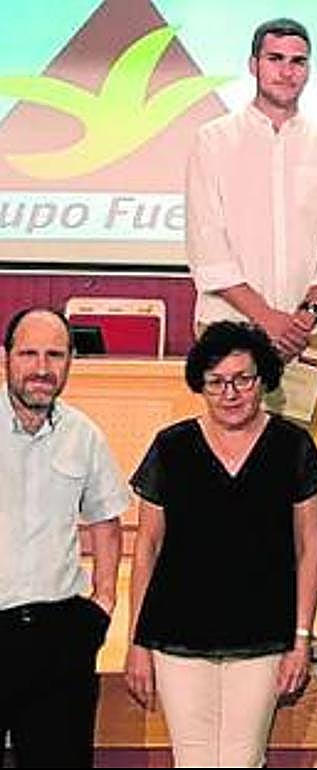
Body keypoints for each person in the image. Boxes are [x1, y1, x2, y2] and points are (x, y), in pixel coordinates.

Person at [123, 322, 317, 767]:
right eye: (216, 382)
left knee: (243, 759)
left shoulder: (293, 446)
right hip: (177, 634)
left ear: (263, 380)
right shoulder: (171, 447)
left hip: (264, 635)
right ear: (201, 385)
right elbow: (147, 549)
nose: (230, 392)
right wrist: (137, 642)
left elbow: (310, 547)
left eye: (242, 379)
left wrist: (301, 637)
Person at [0, 307, 128, 768]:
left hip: (60, 638)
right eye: (28, 353)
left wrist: (105, 600)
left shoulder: (84, 436)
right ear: (6, 358)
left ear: (72, 360)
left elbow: (106, 521)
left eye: (54, 355)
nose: (41, 368)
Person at [186, 18, 317, 361]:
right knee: (228, 417)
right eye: (275, 58)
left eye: (298, 61)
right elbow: (208, 248)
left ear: (308, 70)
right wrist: (268, 319)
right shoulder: (212, 141)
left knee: (297, 420)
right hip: (227, 325)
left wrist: (303, 319)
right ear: (253, 65)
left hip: (307, 334)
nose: (287, 71)